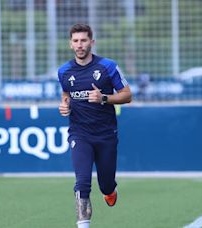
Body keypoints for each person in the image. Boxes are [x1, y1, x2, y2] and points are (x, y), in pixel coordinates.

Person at [58, 23, 132, 228]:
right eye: (75, 41)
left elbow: (127, 95)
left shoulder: (107, 67)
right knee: (82, 183)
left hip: (106, 134)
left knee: (106, 184)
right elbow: (66, 95)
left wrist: (104, 98)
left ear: (92, 42)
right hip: (79, 133)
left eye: (83, 40)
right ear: (70, 44)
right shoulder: (64, 71)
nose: (80, 45)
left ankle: (109, 190)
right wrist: (65, 106)